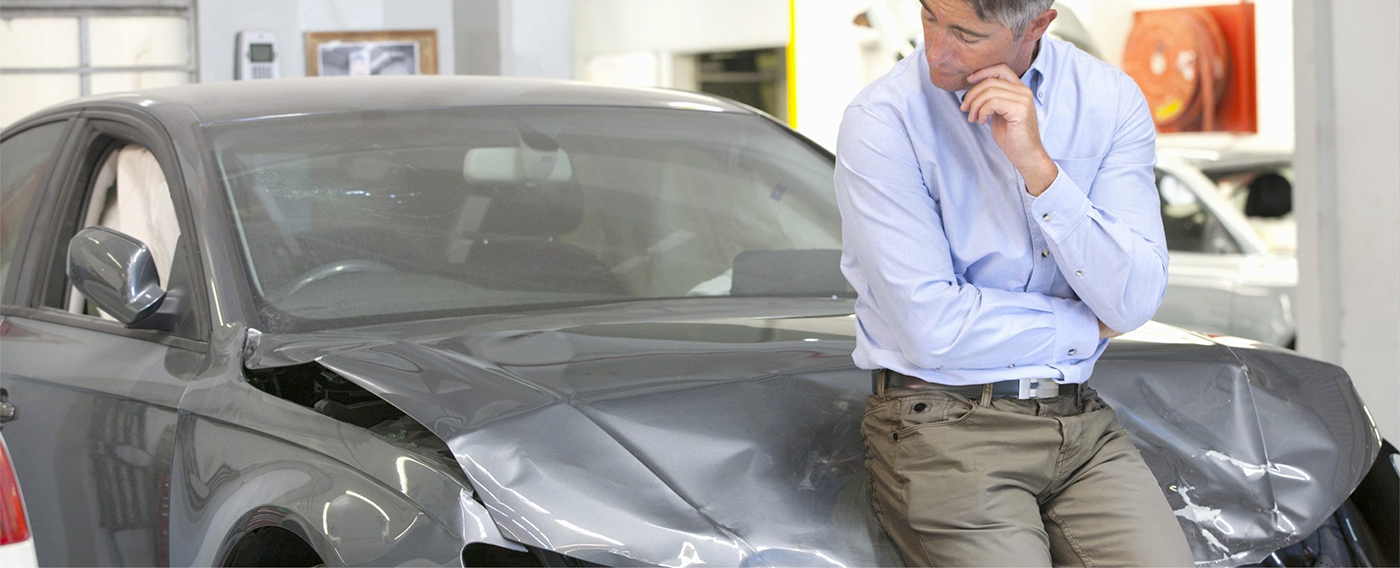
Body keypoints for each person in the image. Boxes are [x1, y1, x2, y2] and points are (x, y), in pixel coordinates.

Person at [833, 0, 1196, 565]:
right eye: (929, 16)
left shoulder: (1109, 98)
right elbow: (933, 328)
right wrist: (1085, 323)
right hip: (944, 426)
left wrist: (1038, 168)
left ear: (1037, 27)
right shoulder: (883, 119)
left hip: (1079, 424)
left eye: (966, 33)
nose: (936, 49)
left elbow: (1133, 296)